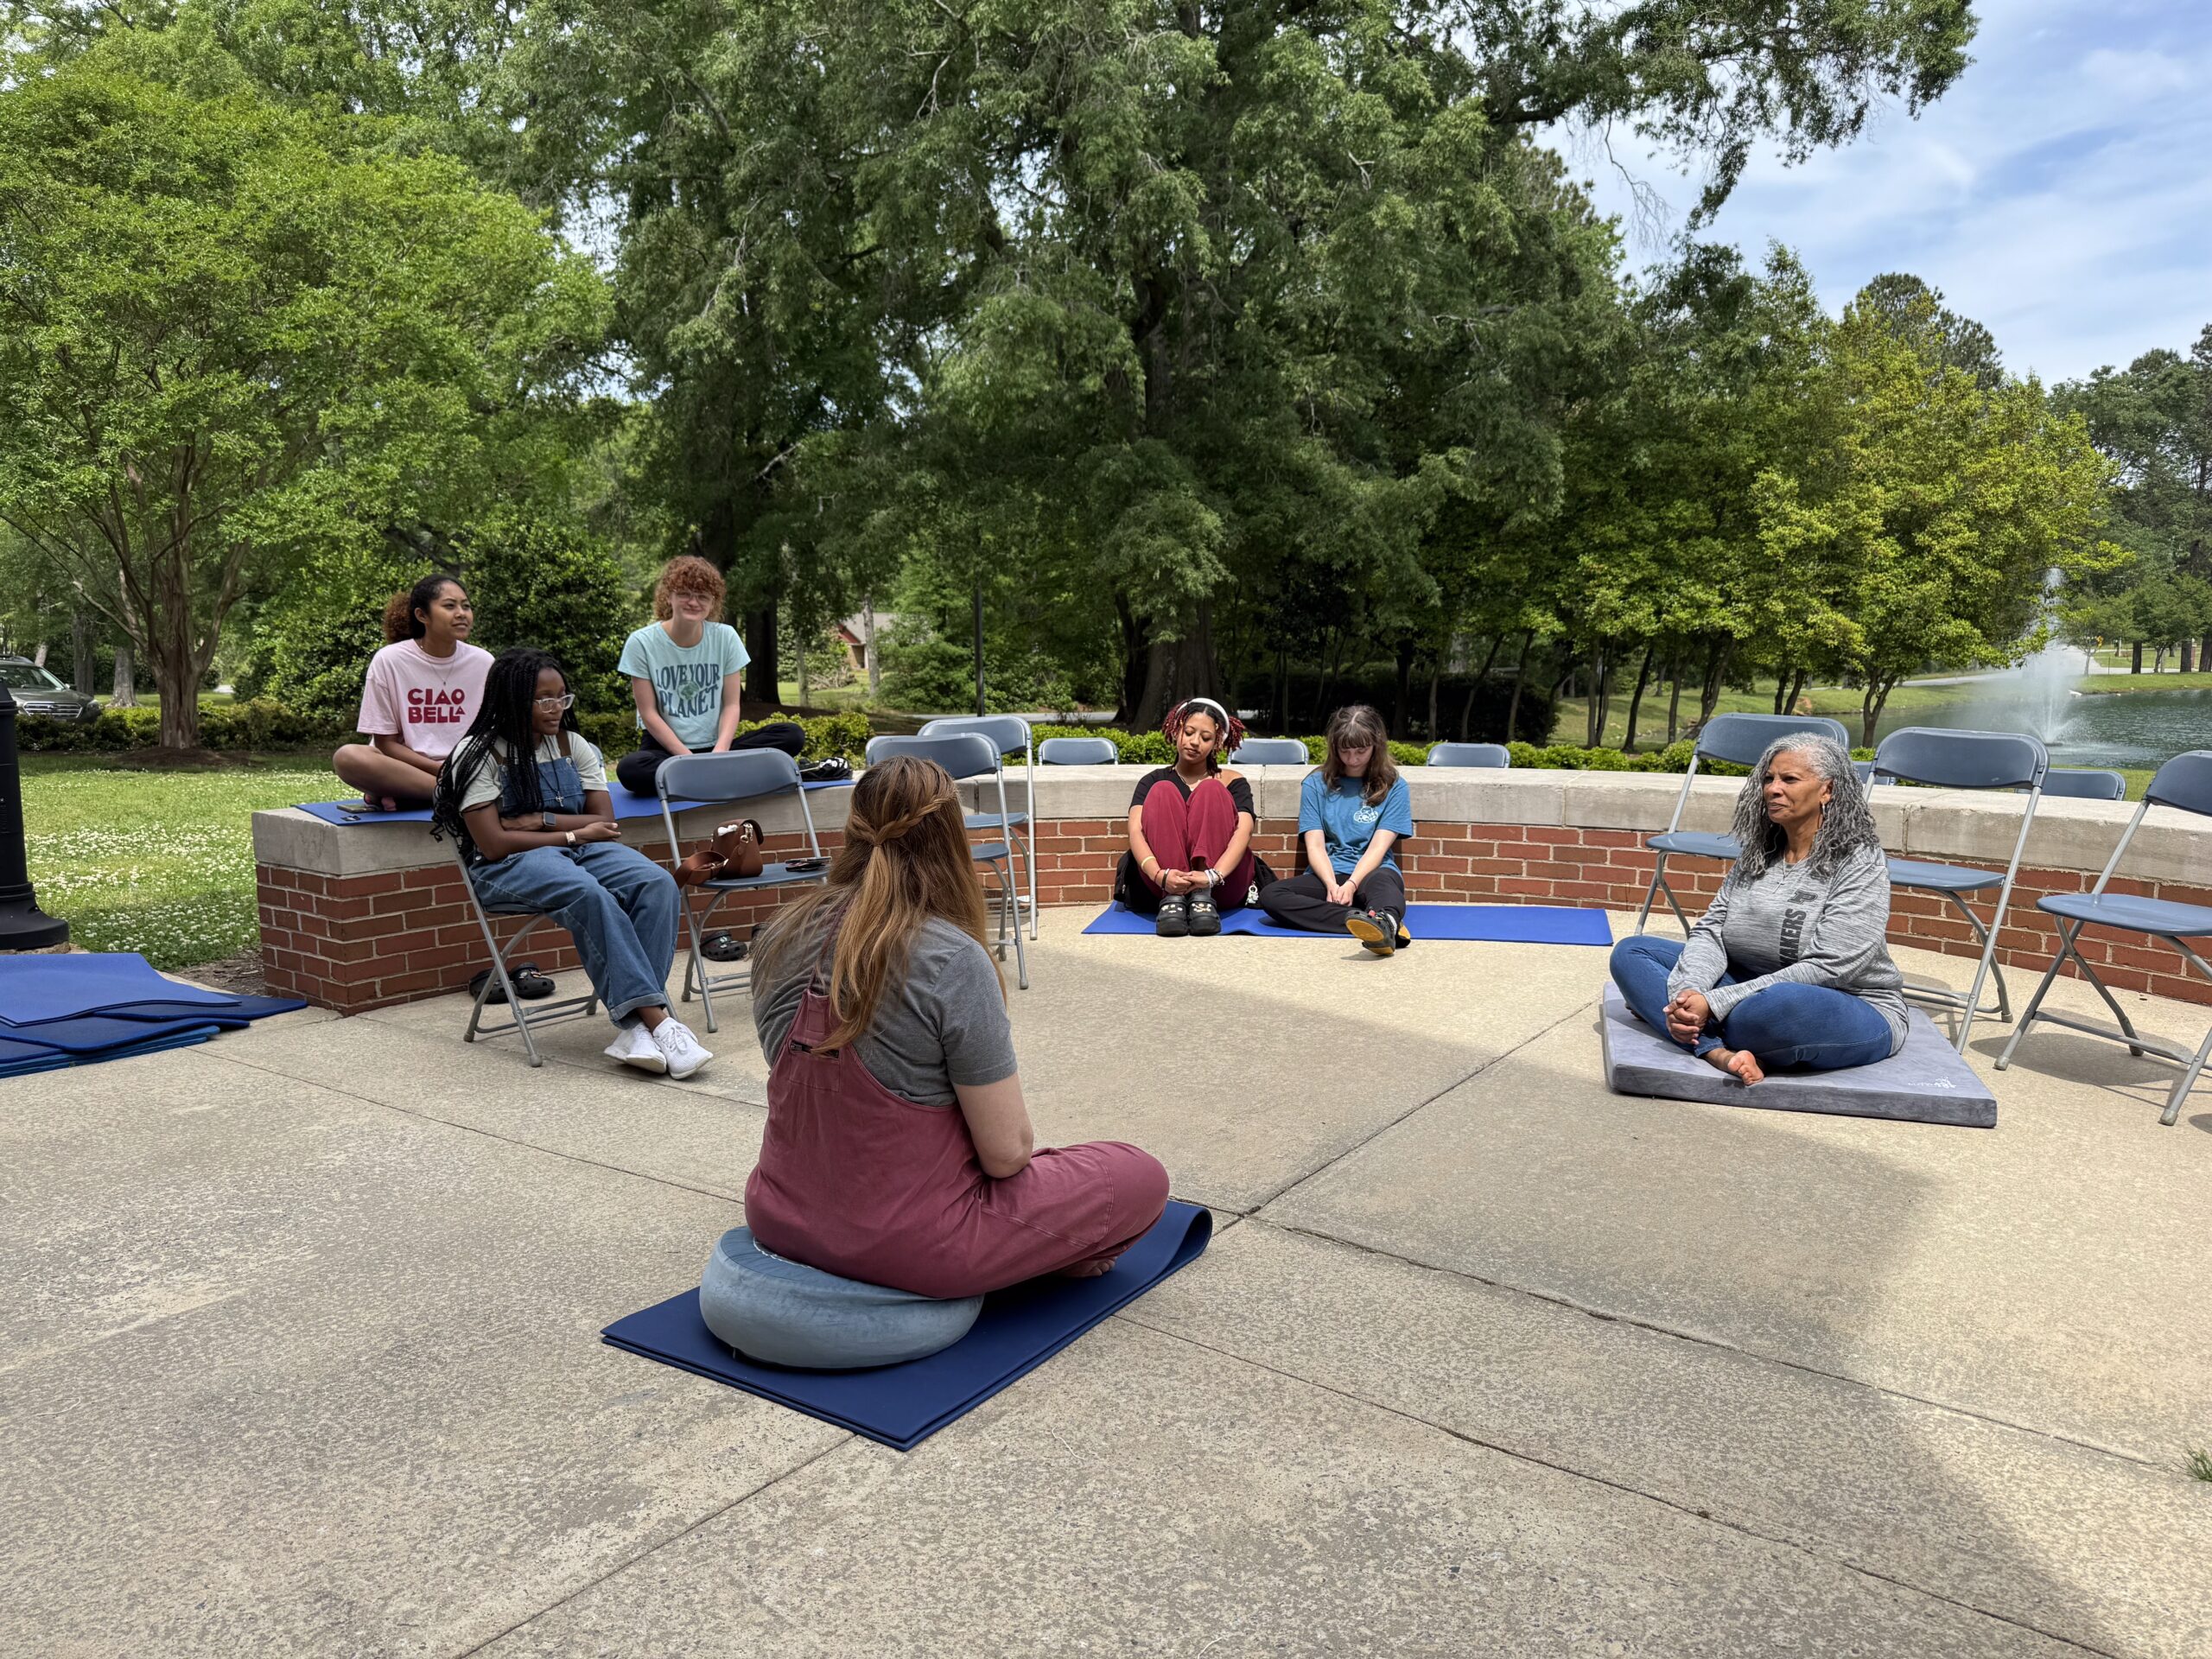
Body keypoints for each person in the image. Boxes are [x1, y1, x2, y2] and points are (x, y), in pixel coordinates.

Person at [744, 754, 1171, 1300]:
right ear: (950, 840)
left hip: (778, 1216)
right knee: (1138, 1174)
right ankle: (1036, 1256)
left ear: (851, 830)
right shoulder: (951, 957)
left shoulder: (778, 934)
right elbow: (1006, 1155)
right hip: (915, 1246)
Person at [431, 648, 715, 1081]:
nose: (556, 708)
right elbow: (493, 843)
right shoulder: (477, 754)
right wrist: (573, 832)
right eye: (544, 699)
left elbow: (605, 821)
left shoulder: (572, 745)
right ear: (513, 700)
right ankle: (660, 1023)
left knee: (657, 882)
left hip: (580, 849)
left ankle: (636, 1029)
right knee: (589, 894)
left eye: (562, 697)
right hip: (507, 866)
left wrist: (542, 820)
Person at [1608, 732, 1907, 1084]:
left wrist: (1713, 1004)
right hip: (1747, 985)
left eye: (1789, 779)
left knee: (1774, 1010)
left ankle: (1680, 1020)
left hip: (1842, 1002)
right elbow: (1711, 932)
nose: (1772, 789)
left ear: (1827, 790)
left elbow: (1830, 967)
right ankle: (1717, 1051)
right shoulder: (1758, 853)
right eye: (1769, 779)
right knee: (1633, 953)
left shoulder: (1859, 860)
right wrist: (1690, 993)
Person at [613, 556, 805, 798]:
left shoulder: (726, 637)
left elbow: (732, 705)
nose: (693, 602)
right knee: (631, 770)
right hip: (666, 751)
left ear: (713, 602)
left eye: (703, 596)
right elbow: (649, 714)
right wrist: (687, 760)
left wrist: (719, 753)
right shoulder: (641, 642)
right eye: (685, 594)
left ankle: (694, 779)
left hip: (718, 749)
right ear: (669, 596)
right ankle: (722, 776)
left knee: (792, 735)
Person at [1259, 704, 1414, 955]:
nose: (1352, 759)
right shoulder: (1315, 784)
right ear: (1334, 748)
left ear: (1376, 746)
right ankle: (1373, 923)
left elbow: (1378, 848)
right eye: (1345, 751)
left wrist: (1352, 884)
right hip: (1328, 874)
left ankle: (1383, 919)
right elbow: (1315, 846)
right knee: (1272, 896)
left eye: (1361, 751)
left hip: (1373, 872)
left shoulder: (1395, 786)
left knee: (1386, 887)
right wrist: (1332, 885)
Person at [333, 575, 493, 810]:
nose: (461, 613)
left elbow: (491, 734)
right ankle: (451, 795)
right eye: (450, 606)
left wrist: (463, 768)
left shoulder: (484, 662)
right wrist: (443, 771)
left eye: (466, 606)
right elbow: (386, 744)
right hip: (408, 767)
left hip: (467, 767)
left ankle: (411, 794)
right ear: (422, 615)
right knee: (347, 757)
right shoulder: (390, 660)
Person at [1118, 697, 1262, 937]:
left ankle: (1202, 898)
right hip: (1163, 885)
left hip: (1221, 882)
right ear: (1176, 731)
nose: (1195, 742)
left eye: (1206, 738)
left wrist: (1212, 876)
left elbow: (1244, 831)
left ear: (1217, 742)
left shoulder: (1233, 781)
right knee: (1163, 791)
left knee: (1211, 789)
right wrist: (1159, 875)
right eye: (1189, 732)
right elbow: (1135, 831)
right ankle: (1174, 899)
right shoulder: (1152, 781)